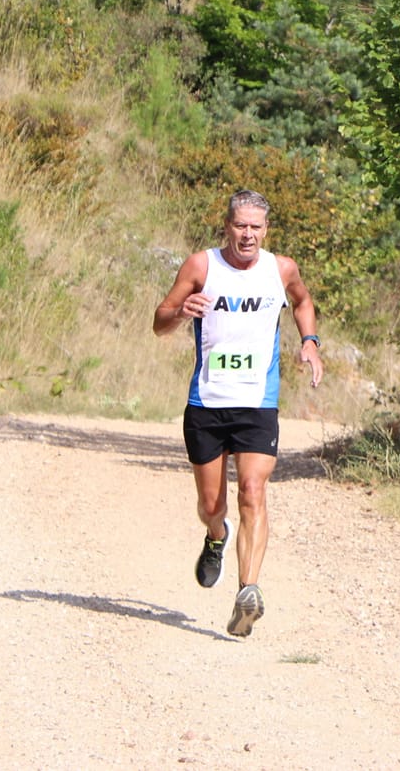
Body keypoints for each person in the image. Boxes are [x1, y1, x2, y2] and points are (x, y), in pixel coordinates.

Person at [152, 190, 322, 637]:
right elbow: (160, 320)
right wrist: (179, 312)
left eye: (255, 227)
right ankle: (215, 537)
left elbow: (302, 301)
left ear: (266, 230)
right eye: (239, 226)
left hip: (256, 404)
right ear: (226, 226)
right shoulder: (201, 266)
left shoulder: (280, 269)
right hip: (207, 402)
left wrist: (309, 341)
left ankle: (248, 591)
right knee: (213, 505)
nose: (247, 235)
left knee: (252, 490)